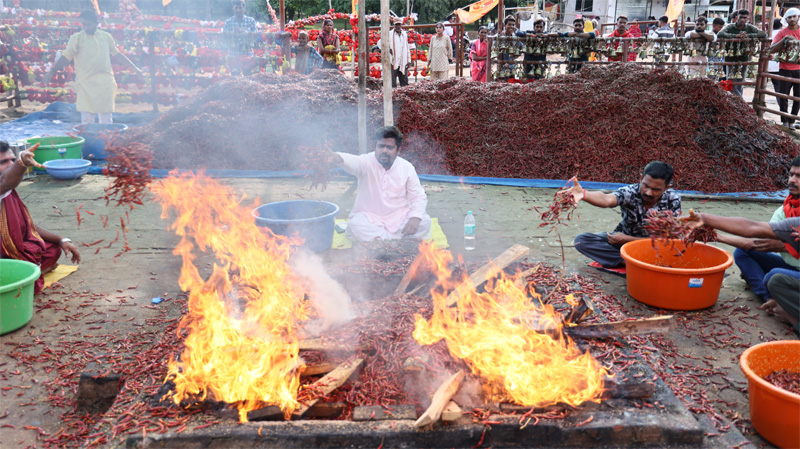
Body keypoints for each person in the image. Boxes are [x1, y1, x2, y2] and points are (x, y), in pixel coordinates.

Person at [685, 211, 799, 333]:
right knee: (743, 252)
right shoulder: (789, 216)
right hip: (794, 267)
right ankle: (771, 300)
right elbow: (752, 228)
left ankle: (793, 319)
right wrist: (705, 221)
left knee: (775, 279)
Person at [0, 142, 81, 294]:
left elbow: (27, 224)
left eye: (12, 160)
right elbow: (5, 182)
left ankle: (33, 272)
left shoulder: (8, 192)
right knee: (20, 280)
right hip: (3, 256)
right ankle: (33, 274)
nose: (11, 165)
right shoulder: (4, 186)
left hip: (13, 250)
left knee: (53, 249)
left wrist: (61, 240)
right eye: (3, 162)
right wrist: (21, 162)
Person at [716, 157, 800, 305]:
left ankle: (782, 300)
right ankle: (768, 299)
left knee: (774, 276)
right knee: (743, 251)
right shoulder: (785, 209)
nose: (792, 180)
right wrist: (717, 236)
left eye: (799, 176)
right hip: (793, 267)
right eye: (791, 174)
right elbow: (759, 238)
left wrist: (785, 246)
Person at [568, 161, 681, 268]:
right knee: (582, 240)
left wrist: (628, 239)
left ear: (666, 188)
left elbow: (669, 239)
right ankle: (638, 263)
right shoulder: (630, 192)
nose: (648, 192)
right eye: (646, 185)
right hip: (622, 242)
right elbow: (607, 199)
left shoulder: (672, 199)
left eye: (656, 189)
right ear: (641, 178)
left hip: (653, 246)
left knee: (678, 248)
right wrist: (584, 194)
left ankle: (632, 262)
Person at [42, 9, 142, 125]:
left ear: (96, 23)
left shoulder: (106, 37)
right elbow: (66, 56)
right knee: (87, 120)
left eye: (89, 25)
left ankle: (106, 135)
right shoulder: (76, 38)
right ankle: (88, 135)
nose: (86, 27)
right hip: (85, 83)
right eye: (84, 24)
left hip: (105, 81)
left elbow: (118, 54)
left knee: (106, 118)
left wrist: (135, 68)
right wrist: (52, 71)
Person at [331, 126, 431, 242]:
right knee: (355, 225)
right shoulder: (366, 162)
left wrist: (415, 217)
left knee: (424, 221)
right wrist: (334, 157)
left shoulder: (407, 168)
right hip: (370, 218)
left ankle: (383, 241)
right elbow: (350, 161)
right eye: (380, 146)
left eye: (389, 147)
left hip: (398, 218)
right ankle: (397, 241)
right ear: (376, 147)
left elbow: (418, 197)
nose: (384, 151)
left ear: (398, 150)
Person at [717, 9, 766, 97]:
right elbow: (720, 34)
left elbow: (762, 34)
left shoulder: (750, 27)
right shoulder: (730, 26)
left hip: (743, 57)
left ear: (747, 19)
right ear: (737, 17)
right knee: (731, 80)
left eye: (744, 18)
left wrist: (747, 36)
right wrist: (736, 36)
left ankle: (737, 100)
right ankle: (738, 99)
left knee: (740, 80)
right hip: (730, 57)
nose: (742, 20)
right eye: (740, 17)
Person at [770, 8, 800, 128]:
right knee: (783, 96)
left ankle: (792, 121)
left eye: (794, 16)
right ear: (785, 20)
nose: (792, 19)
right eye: (789, 17)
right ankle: (785, 120)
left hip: (799, 68)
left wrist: (796, 41)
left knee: (798, 97)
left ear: (798, 17)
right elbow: (772, 49)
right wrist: (785, 39)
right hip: (785, 68)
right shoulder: (782, 33)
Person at [386, 19, 411, 87]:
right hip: (393, 61)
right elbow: (380, 43)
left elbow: (407, 47)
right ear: (394, 25)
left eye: (399, 24)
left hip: (403, 60)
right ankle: (392, 93)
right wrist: (388, 49)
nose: (398, 26)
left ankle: (403, 93)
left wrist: (408, 60)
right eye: (396, 24)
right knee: (392, 82)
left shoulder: (404, 34)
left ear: (401, 25)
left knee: (404, 82)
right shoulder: (389, 34)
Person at [767, 18, 783, 95]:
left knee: (777, 86)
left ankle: (780, 101)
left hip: (771, 65)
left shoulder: (769, 34)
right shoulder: (784, 33)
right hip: (783, 64)